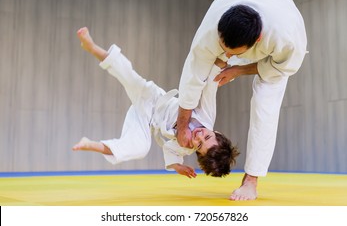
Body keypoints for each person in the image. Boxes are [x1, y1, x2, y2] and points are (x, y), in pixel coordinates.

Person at [176, 0, 307, 199]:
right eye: (223, 47)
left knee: (265, 102)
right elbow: (193, 76)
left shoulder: (287, 39)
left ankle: (251, 181)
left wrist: (239, 70)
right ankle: (226, 51)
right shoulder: (211, 29)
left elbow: (282, 68)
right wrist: (182, 126)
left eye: (232, 53)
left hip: (280, 12)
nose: (227, 56)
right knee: (207, 64)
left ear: (256, 42)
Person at [73, 27, 239, 178]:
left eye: (199, 145)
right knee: (130, 77)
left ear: (198, 152)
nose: (199, 136)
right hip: (154, 98)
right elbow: (210, 89)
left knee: (140, 149)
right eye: (207, 136)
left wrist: (176, 165)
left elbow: (169, 148)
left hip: (146, 119)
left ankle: (91, 144)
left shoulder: (186, 146)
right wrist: (219, 64)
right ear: (216, 132)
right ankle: (92, 47)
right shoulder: (207, 114)